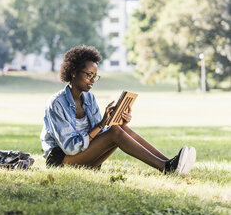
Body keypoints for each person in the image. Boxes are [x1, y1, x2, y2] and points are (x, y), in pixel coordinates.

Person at [40, 45, 196, 174]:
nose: (93, 80)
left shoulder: (89, 98)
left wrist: (117, 121)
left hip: (85, 157)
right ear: (73, 73)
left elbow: (98, 135)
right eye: (89, 75)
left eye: (95, 76)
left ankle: (169, 163)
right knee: (114, 132)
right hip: (62, 161)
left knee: (118, 128)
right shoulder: (57, 103)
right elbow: (71, 148)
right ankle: (166, 168)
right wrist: (102, 125)